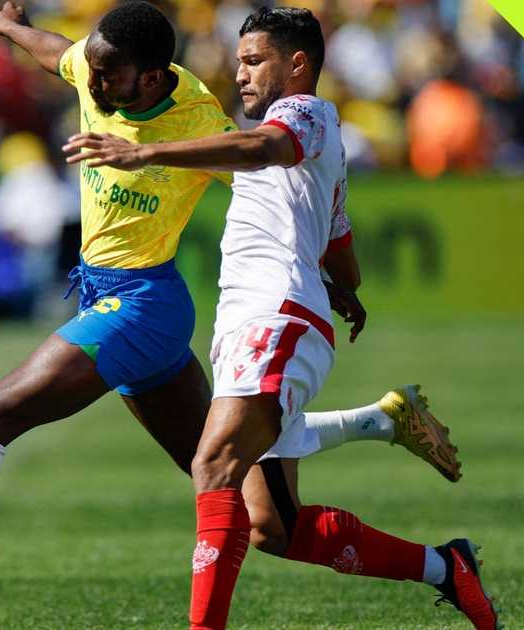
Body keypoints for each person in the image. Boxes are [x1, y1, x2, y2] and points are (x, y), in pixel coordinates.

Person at [0, 4, 460, 628]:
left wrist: (323, 266)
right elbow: (57, 54)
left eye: (106, 74)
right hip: (108, 297)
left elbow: (273, 176)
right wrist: (11, 29)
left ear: (149, 77)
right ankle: (382, 423)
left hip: (142, 305)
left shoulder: (200, 120)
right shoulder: (97, 74)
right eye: (91, 69)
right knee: (255, 508)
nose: (90, 82)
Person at [63, 7, 497, 629]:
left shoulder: (302, 114)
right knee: (273, 526)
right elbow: (341, 249)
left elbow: (268, 148)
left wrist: (146, 152)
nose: (239, 74)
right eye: (239, 60)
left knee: (212, 462)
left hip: (277, 316)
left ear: (297, 65)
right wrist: (346, 291)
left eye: (253, 61)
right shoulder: (316, 142)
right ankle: (446, 567)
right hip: (254, 323)